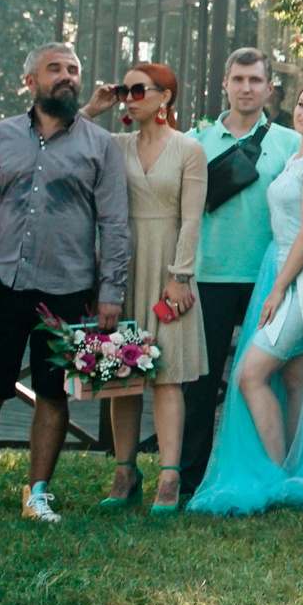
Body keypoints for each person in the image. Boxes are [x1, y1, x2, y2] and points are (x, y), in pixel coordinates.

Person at [0, 43, 131, 529]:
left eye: (73, 69)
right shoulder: (3, 135)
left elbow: (115, 224)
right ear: (31, 81)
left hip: (68, 290)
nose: (67, 76)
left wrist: (111, 291)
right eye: (56, 69)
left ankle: (38, 495)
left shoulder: (100, 145)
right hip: (4, 284)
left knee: (54, 394)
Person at [187, 80, 303, 514]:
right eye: (301, 105)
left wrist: (279, 290)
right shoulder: (298, 153)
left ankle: (276, 476)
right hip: (278, 267)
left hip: (301, 280)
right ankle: (295, 473)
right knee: (295, 379)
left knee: (251, 375)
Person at [80, 64, 206, 513]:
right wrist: (95, 107)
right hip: (121, 268)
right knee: (122, 376)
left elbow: (192, 217)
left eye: (137, 90)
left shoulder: (190, 148)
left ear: (165, 97)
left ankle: (168, 477)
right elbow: (65, 138)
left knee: (168, 378)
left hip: (169, 269)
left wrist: (180, 274)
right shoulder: (114, 145)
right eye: (123, 90)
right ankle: (124, 471)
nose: (128, 98)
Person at [183, 48, 298, 493]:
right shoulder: (196, 141)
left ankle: (267, 471)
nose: (246, 88)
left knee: (268, 377)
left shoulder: (289, 143)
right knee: (201, 380)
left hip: (269, 279)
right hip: (208, 274)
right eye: (238, 79)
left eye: (255, 80)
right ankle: (190, 477)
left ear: (270, 87)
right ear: (225, 84)